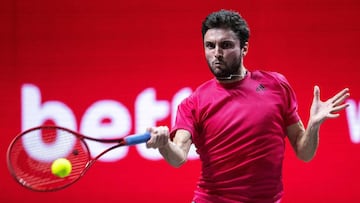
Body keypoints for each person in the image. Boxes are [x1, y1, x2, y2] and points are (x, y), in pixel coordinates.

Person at [146, 9, 350, 203]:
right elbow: (178, 157)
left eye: (225, 45)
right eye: (210, 45)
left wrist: (314, 125)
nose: (217, 53)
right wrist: (165, 145)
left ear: (244, 47)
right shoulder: (193, 103)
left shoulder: (276, 85)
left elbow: (304, 153)